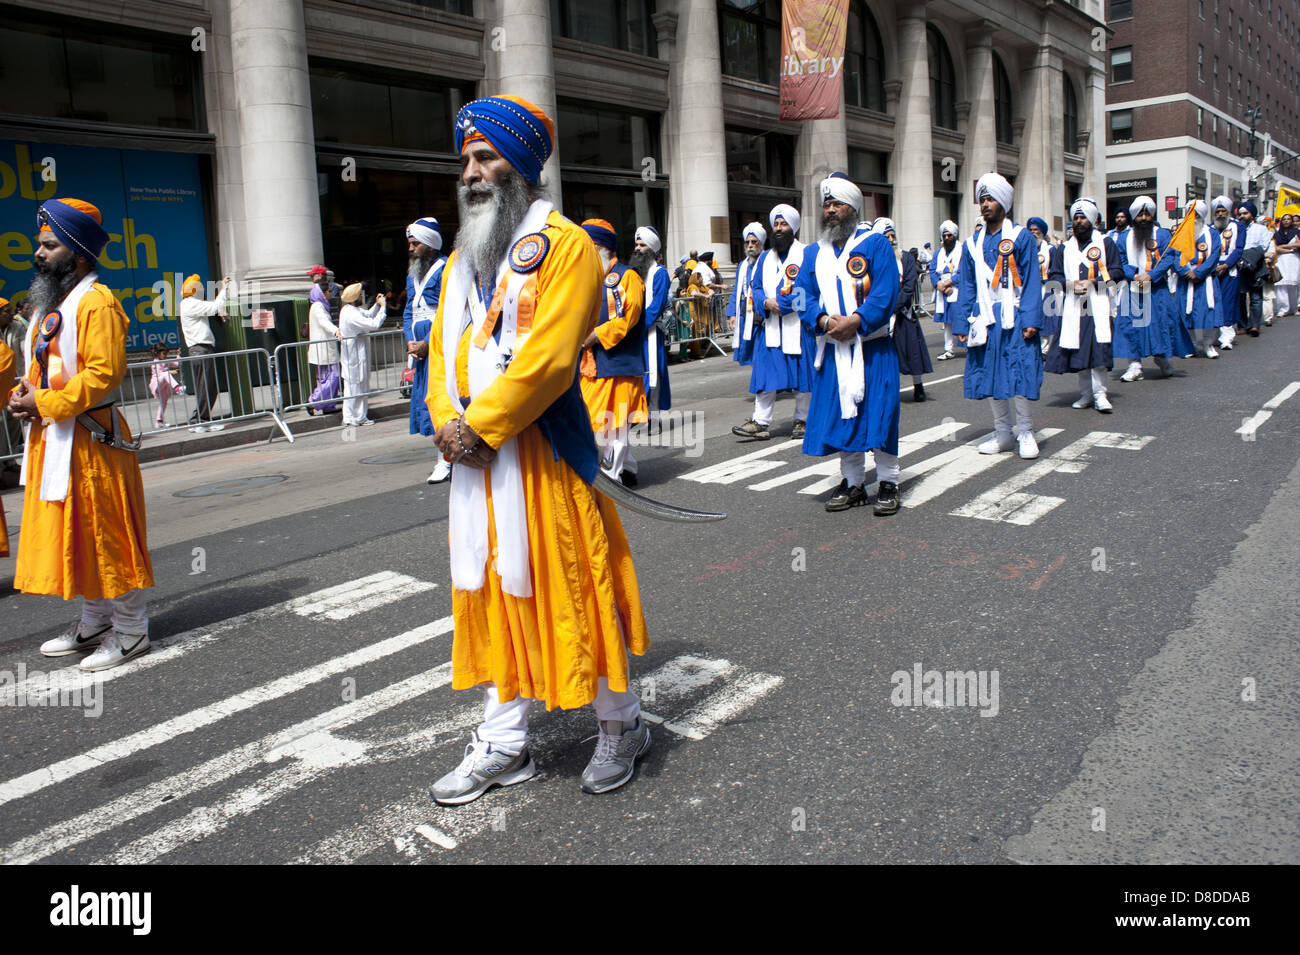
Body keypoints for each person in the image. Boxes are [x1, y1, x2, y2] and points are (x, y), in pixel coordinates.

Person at [426, 95, 650, 804]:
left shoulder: (569, 246)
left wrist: (478, 426)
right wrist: (445, 420)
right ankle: (504, 741)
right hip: (479, 465)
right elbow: (442, 353)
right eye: (466, 160)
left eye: (485, 157)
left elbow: (552, 359)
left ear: (520, 165)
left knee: (581, 590)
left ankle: (622, 723)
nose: (471, 172)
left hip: (545, 461)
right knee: (492, 592)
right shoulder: (463, 257)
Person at [6, 198, 153, 670]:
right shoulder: (55, 304)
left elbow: (103, 375)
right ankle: (94, 621)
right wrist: (24, 394)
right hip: (57, 438)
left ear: (79, 253)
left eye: (50, 245)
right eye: (40, 244)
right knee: (79, 536)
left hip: (94, 439)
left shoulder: (97, 303)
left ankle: (131, 631)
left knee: (107, 534)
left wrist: (44, 403)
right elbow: (43, 364)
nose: (40, 253)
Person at [793, 173, 902, 514]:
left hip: (872, 346)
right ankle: (853, 482)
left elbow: (886, 292)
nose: (830, 210)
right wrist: (824, 321)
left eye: (837, 204)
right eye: (826, 205)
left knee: (880, 415)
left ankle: (888, 481)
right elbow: (800, 295)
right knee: (843, 417)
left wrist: (856, 321)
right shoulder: (813, 253)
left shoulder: (875, 245)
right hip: (834, 347)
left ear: (853, 208)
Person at [950, 173, 1044, 460]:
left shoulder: (1021, 237)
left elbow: (1030, 281)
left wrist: (1030, 319)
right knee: (990, 375)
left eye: (991, 199)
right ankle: (1002, 432)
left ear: (1004, 203)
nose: (985, 205)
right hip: (984, 318)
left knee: (1018, 373)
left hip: (1014, 316)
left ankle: (1025, 431)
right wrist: (961, 321)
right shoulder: (971, 244)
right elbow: (966, 285)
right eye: (983, 199)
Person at [579, 219, 648, 486]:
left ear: (601, 247)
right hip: (591, 364)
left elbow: (628, 317)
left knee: (614, 426)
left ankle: (610, 480)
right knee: (597, 423)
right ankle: (627, 467)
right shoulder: (586, 278)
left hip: (618, 363)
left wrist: (594, 336)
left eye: (587, 247)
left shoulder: (626, 277)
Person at [734, 208, 813, 439]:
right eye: (776, 224)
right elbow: (755, 288)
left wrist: (785, 305)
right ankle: (760, 421)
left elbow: (809, 287)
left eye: (783, 224)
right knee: (765, 375)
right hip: (770, 327)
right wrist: (767, 303)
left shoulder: (806, 253)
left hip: (797, 326)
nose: (778, 228)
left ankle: (803, 420)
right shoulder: (765, 258)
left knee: (802, 376)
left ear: (793, 227)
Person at [1046, 199, 1121, 412]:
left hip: (1097, 305)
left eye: (1083, 218)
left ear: (1092, 220)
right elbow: (1054, 275)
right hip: (1073, 306)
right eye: (1076, 218)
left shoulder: (1106, 243)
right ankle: (1086, 394)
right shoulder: (1064, 248)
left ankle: (1100, 394)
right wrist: (1069, 285)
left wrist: (1092, 282)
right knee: (1078, 351)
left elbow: (1116, 272)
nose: (1079, 222)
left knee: (1098, 352)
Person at [403, 217, 449, 483]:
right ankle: (444, 455)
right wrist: (410, 340)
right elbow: (409, 310)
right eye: (410, 243)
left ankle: (446, 459)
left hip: (439, 343)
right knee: (427, 400)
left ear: (430, 245)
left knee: (442, 398)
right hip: (419, 349)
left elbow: (449, 312)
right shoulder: (412, 274)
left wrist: (428, 342)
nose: (411, 248)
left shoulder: (445, 269)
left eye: (415, 243)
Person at [1115, 196, 1178, 381]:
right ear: (1133, 217)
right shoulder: (1124, 237)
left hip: (1157, 288)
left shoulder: (1163, 234)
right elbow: (1120, 260)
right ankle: (1134, 366)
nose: (1144, 218)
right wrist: (1134, 275)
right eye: (1140, 214)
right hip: (1132, 288)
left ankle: (1162, 359)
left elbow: (1169, 257)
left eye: (1147, 214)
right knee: (1131, 326)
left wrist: (1151, 275)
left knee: (1161, 324)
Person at [878, 218, 931, 402]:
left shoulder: (906, 257)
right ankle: (889, 389)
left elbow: (909, 286)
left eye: (893, 236)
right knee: (887, 354)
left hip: (904, 312)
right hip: (884, 315)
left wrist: (894, 306)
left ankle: (918, 385)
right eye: (887, 236)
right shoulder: (876, 260)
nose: (892, 240)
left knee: (912, 351)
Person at [631, 226, 672, 430]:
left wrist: (636, 326)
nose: (637, 248)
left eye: (642, 245)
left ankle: (652, 417)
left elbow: (656, 306)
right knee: (639, 374)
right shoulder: (634, 273)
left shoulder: (660, 273)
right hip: (635, 332)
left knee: (653, 374)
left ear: (653, 249)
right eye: (636, 245)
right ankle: (640, 414)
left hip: (650, 332)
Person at [179, 272, 230, 433]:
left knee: (206, 386)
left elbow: (212, 309)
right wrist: (224, 289)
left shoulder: (190, 304)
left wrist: (218, 311)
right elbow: (213, 306)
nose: (202, 288)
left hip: (199, 350)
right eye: (200, 286)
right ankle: (201, 420)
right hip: (201, 349)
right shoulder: (191, 304)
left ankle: (199, 420)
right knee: (207, 386)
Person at [1175, 200, 1222, 358]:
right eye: (1190, 214)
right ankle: (1192, 344)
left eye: (1196, 215)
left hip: (1205, 280)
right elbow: (1174, 256)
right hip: (1186, 279)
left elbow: (1214, 256)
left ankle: (1208, 344)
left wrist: (1199, 272)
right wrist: (1185, 271)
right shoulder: (1180, 233)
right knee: (1187, 313)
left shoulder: (1212, 234)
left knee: (1208, 312)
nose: (1192, 218)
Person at [337, 283, 387, 426]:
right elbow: (373, 324)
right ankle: (352, 417)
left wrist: (377, 306)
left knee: (359, 385)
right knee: (355, 386)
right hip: (354, 355)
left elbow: (366, 314)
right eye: (360, 294)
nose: (362, 296)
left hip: (357, 354)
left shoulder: (350, 310)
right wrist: (383, 307)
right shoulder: (351, 314)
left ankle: (358, 416)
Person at [727, 225, 763, 367]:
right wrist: (732, 314)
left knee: (762, 350)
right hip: (745, 312)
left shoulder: (766, 261)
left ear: (761, 243)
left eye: (754, 242)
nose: (750, 245)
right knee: (749, 352)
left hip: (761, 314)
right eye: (747, 242)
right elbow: (737, 290)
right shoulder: (742, 265)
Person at [1211, 195, 1246, 343]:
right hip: (1212, 270)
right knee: (1212, 302)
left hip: (1229, 270)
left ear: (1228, 212)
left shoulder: (1238, 226)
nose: (1220, 214)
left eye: (1223, 211)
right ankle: (1213, 335)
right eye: (1217, 211)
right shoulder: (1209, 228)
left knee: (1227, 301)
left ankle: (1227, 336)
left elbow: (1239, 249)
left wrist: (1226, 265)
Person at [306, 272, 341, 414]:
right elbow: (324, 322)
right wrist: (335, 330)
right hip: (324, 349)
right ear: (322, 292)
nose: (330, 293)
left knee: (325, 378)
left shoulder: (319, 305)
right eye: (328, 291)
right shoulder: (318, 306)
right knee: (333, 377)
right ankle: (314, 401)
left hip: (324, 349)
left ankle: (327, 405)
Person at [1237, 200, 1273, 334]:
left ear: (1251, 215)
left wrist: (1250, 257)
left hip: (1256, 265)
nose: (1242, 216)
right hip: (1240, 265)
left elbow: (1264, 246)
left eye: (1245, 213)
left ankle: (1254, 325)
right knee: (1240, 297)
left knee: (1256, 298)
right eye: (1240, 214)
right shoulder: (1235, 229)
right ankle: (1242, 326)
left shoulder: (1261, 229)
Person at [931, 220, 962, 360]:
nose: (947, 238)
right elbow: (932, 270)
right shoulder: (938, 253)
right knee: (946, 321)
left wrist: (950, 283)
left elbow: (964, 271)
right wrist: (938, 284)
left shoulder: (962, 250)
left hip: (958, 290)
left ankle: (971, 345)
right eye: (944, 236)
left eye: (949, 235)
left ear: (954, 236)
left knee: (961, 317)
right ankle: (948, 349)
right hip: (942, 291)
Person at [148, 342, 185, 426]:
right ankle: (177, 389)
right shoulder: (156, 362)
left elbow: (177, 364)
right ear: (157, 353)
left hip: (164, 386)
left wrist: (178, 355)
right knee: (166, 374)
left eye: (166, 354)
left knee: (163, 402)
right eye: (164, 353)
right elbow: (160, 372)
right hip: (156, 383)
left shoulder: (166, 361)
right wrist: (170, 371)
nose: (165, 355)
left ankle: (159, 421)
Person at [1272, 213, 1300, 317]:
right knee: (1281, 284)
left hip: (1294, 260)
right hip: (1281, 259)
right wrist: (1289, 250)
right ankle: (1282, 308)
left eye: (1289, 219)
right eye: (1284, 219)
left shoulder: (1296, 233)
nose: (1286, 221)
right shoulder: (1277, 234)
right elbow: (1275, 247)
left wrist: (1284, 246)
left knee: (1293, 284)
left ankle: (1293, 308)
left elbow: (1298, 244)